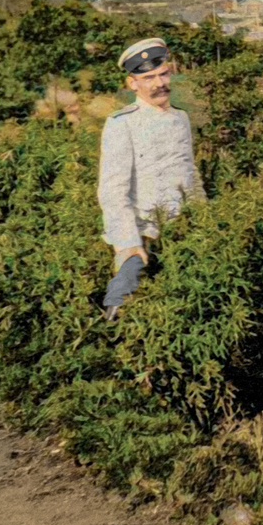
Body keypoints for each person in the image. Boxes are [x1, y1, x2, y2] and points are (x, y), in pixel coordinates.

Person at [97, 37, 205, 319]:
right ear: (133, 83)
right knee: (128, 312)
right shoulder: (123, 123)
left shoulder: (181, 118)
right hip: (144, 236)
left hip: (183, 231)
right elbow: (112, 189)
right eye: (148, 77)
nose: (159, 83)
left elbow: (189, 172)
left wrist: (205, 219)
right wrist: (127, 243)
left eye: (163, 74)